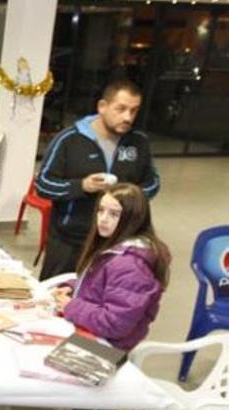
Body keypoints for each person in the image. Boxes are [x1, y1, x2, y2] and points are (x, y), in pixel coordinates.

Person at [36, 183, 170, 410]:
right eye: (101, 211)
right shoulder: (115, 249)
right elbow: (97, 290)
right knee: (86, 391)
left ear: (133, 219)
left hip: (110, 343)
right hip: (94, 333)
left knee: (104, 402)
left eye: (114, 214)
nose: (103, 219)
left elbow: (115, 322)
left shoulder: (131, 263)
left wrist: (72, 307)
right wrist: (73, 291)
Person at [36, 79, 160, 281]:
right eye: (120, 109)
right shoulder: (69, 139)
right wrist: (82, 186)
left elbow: (153, 183)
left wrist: (130, 196)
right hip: (71, 239)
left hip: (118, 240)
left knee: (101, 301)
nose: (128, 117)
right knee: (53, 296)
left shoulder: (139, 142)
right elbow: (43, 185)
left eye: (134, 111)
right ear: (102, 106)